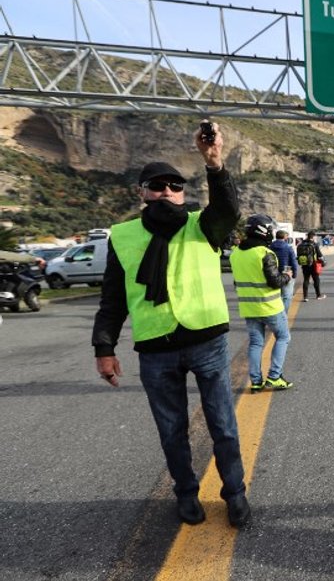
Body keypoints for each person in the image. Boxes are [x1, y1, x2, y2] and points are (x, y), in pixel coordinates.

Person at [91, 122, 251, 528]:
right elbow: (113, 298)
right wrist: (104, 348)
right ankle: (185, 494)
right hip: (155, 347)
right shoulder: (122, 236)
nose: (166, 192)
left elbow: (229, 211)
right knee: (172, 431)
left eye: (174, 186)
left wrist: (214, 163)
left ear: (183, 192)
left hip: (207, 341)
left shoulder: (203, 224)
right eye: (157, 185)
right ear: (141, 192)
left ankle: (234, 493)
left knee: (224, 425)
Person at [231, 215, 296, 392]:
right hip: (269, 306)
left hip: (248, 307)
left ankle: (256, 381)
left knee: (255, 343)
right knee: (283, 337)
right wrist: (287, 276)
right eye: (270, 229)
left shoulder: (236, 253)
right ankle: (274, 376)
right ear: (263, 230)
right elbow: (275, 281)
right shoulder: (265, 253)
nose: (271, 232)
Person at [269, 229, 298, 313]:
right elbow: (293, 262)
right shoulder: (288, 247)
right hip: (286, 271)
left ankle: (275, 312)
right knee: (287, 296)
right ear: (285, 237)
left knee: (275, 296)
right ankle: (283, 313)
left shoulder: (270, 247)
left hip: (273, 272)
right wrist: (294, 274)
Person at [296, 230, 326, 302]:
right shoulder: (314, 244)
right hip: (313, 264)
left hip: (304, 265)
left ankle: (305, 297)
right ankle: (318, 295)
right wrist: (323, 262)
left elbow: (298, 255)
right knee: (316, 279)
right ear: (313, 236)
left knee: (306, 280)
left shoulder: (301, 244)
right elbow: (319, 255)